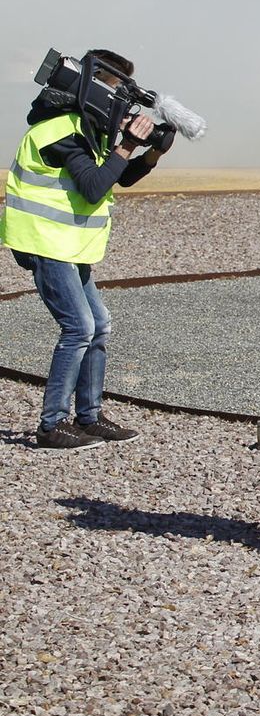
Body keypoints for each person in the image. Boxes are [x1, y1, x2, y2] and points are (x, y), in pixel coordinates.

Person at [1, 50, 164, 450]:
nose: (120, 103)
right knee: (79, 327)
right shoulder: (57, 131)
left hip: (69, 244)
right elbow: (94, 185)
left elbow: (115, 177)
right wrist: (126, 143)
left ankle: (89, 418)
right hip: (45, 241)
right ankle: (51, 426)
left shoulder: (84, 128)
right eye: (114, 92)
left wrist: (153, 152)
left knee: (99, 325)